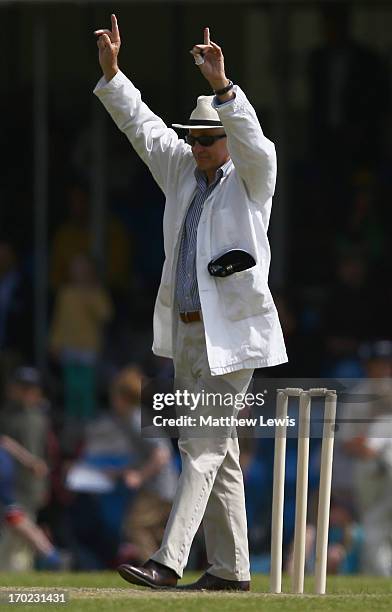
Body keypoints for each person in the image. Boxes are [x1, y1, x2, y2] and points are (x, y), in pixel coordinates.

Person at [93, 16, 287, 591]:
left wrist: (226, 90)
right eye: (195, 137)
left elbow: (256, 142)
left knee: (200, 445)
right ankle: (230, 572)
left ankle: (169, 561)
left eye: (208, 138)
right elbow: (143, 128)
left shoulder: (251, 178)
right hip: (186, 332)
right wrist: (114, 75)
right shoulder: (181, 169)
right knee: (218, 453)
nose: (198, 146)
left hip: (233, 336)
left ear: (225, 137)